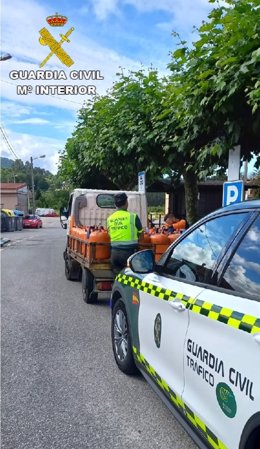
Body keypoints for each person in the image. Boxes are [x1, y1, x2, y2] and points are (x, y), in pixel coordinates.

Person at [107, 192, 144, 274]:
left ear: (115, 204)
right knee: (131, 277)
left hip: (115, 253)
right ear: (127, 203)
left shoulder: (110, 219)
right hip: (129, 253)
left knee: (117, 277)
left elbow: (109, 234)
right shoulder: (133, 216)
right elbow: (141, 234)